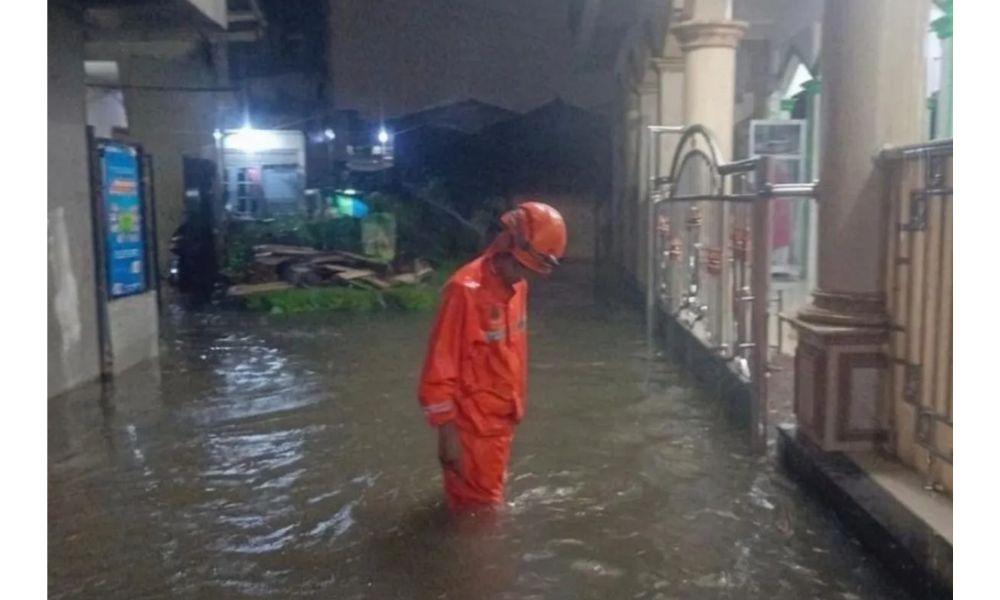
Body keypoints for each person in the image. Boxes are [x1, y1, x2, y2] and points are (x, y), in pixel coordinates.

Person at [418, 201, 567, 511]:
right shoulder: (465, 291)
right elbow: (438, 370)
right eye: (521, 266)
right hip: (472, 431)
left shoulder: (517, 288)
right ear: (505, 246)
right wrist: (448, 436)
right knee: (480, 517)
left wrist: (514, 408)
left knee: (482, 507)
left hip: (500, 422)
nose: (524, 276)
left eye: (530, 271)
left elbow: (512, 354)